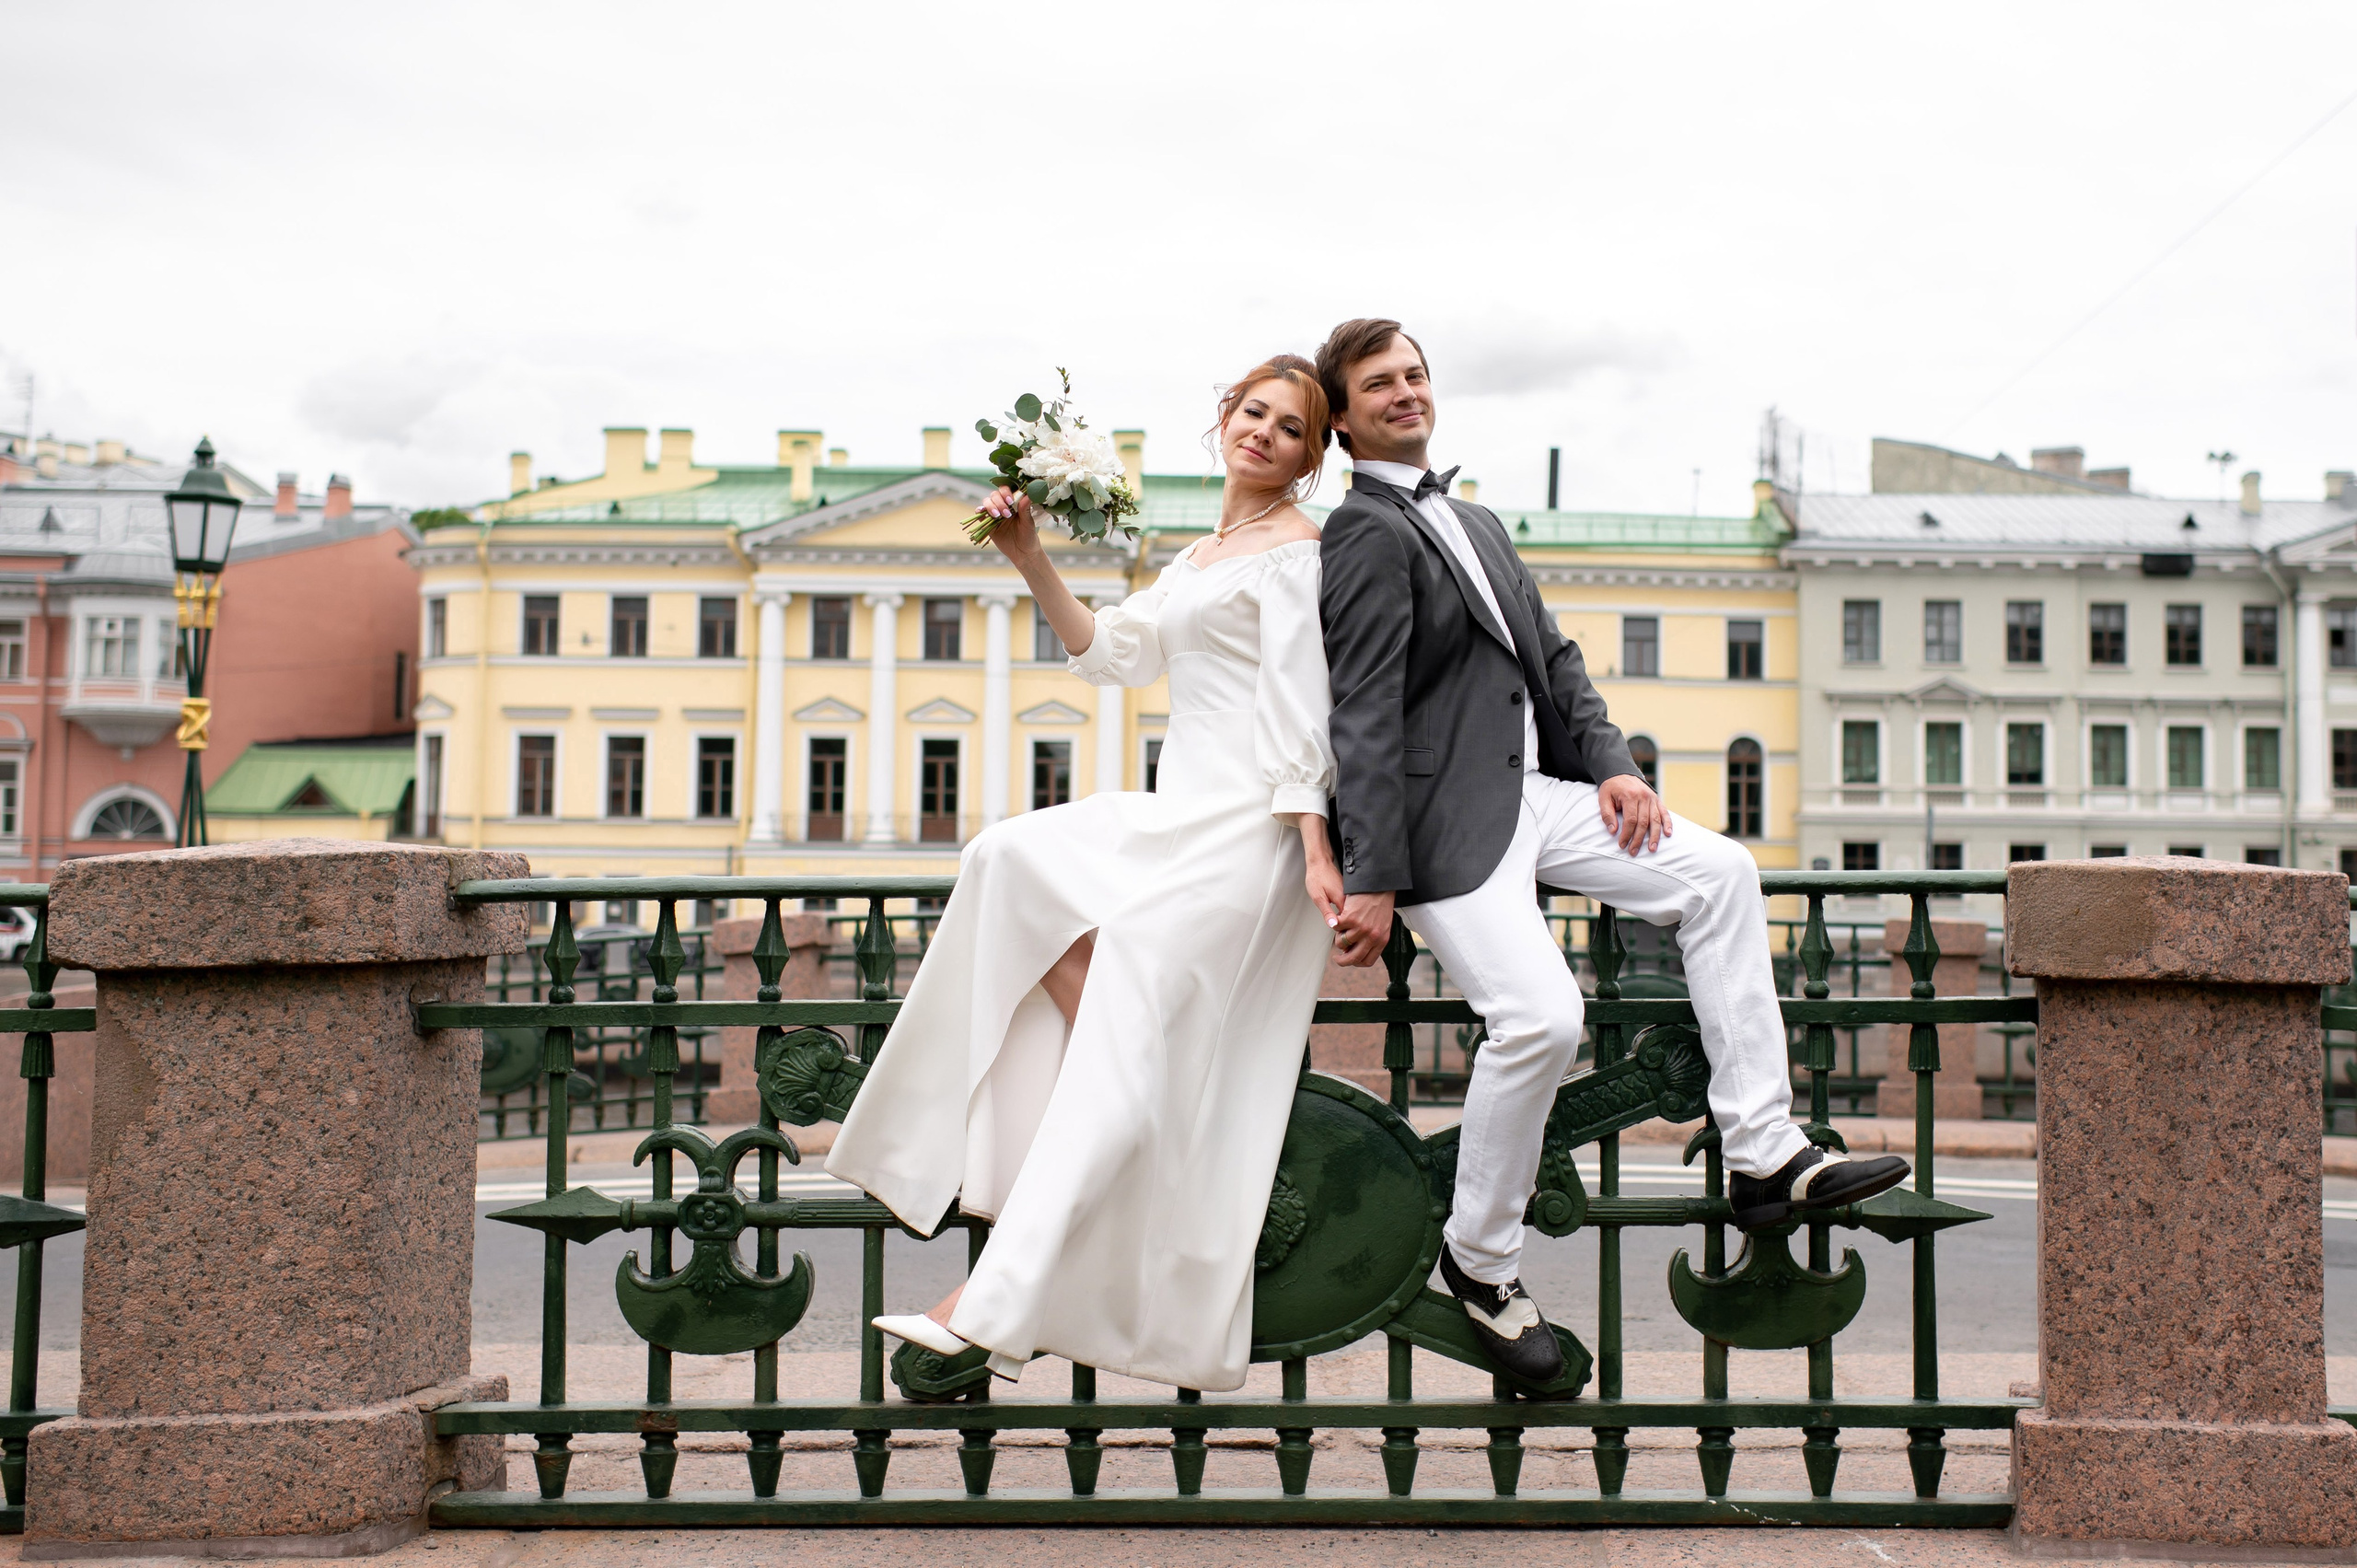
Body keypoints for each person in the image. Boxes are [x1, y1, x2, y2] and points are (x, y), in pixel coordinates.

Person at [1312, 318, 1910, 1384]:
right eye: (1379, 383)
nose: (1406, 390)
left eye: (1414, 372)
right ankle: (1479, 1255)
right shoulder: (1359, 533)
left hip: (1537, 793)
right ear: (1345, 415)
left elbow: (1554, 660)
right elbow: (1359, 708)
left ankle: (1765, 1152)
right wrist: (1371, 875)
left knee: (1720, 871)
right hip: (1442, 828)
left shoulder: (1479, 520)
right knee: (1540, 1017)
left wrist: (1613, 769)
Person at [826, 354, 1341, 1392]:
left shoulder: (1297, 552)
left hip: (1249, 826)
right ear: (1222, 418)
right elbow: (1113, 655)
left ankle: (990, 1305)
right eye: (1252, 412)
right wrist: (1026, 554)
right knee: (1007, 858)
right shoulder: (1202, 554)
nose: (1264, 434)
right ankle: (950, 1147)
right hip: (1177, 811)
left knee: (1121, 1017)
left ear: (1312, 454)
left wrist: (1316, 847)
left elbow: (1300, 711)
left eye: (1291, 428)